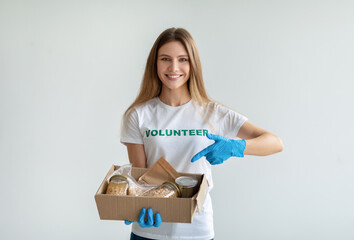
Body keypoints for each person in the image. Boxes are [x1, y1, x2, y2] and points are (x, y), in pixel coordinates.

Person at [120, 27, 284, 240]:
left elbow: (275, 142)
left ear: (193, 64)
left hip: (196, 231)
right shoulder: (138, 115)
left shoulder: (212, 113)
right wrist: (134, 208)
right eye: (165, 59)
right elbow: (140, 177)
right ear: (155, 63)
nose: (174, 67)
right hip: (150, 230)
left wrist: (236, 147)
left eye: (183, 59)